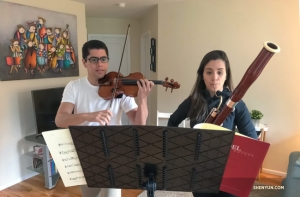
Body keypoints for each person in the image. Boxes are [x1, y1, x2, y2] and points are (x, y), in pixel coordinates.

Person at [55, 40, 154, 197]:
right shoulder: (74, 87)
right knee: (90, 195)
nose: (99, 64)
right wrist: (89, 116)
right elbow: (60, 120)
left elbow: (139, 123)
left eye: (103, 59)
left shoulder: (120, 87)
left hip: (113, 152)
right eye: (94, 60)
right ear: (84, 62)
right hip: (86, 152)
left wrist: (142, 100)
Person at [167, 50, 257, 197]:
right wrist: (184, 148)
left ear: (226, 75)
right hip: (200, 171)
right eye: (209, 72)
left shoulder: (237, 104)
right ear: (202, 75)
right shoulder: (193, 101)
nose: (214, 78)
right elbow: (172, 122)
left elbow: (252, 140)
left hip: (228, 170)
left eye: (220, 72)